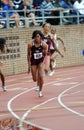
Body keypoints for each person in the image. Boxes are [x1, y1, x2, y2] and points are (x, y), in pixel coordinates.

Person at [27, 30, 48, 97]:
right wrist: (28, 65)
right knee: (34, 79)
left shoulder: (44, 45)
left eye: (38, 37)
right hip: (33, 61)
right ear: (33, 37)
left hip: (40, 61)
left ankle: (40, 91)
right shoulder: (30, 45)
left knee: (41, 76)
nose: (37, 38)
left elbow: (45, 54)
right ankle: (37, 82)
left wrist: (44, 57)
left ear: (40, 37)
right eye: (35, 37)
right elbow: (28, 54)